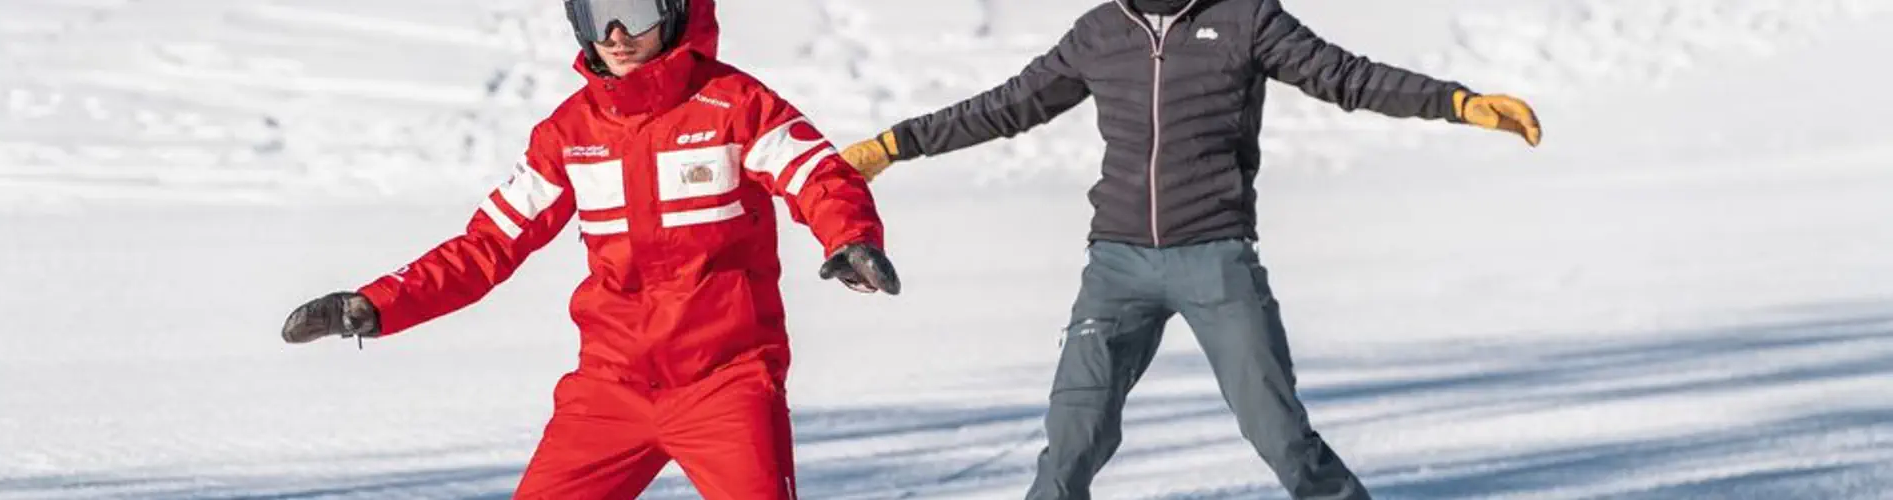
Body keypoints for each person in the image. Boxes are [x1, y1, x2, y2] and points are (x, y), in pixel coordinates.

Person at [837, 0, 1541, 499]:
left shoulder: (1247, 18)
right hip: (1115, 266)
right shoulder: (1098, 33)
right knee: (1071, 443)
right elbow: (1005, 105)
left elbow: (1346, 76)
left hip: (1217, 257)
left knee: (1280, 435)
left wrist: (1456, 101)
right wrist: (896, 144)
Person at [279, 0, 900, 497]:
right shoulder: (569, 134)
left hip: (726, 385)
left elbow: (818, 175)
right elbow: (488, 244)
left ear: (677, 10)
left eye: (636, 9)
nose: (617, 32)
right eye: (595, 11)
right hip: (610, 390)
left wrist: (850, 237)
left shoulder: (738, 107)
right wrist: (377, 304)